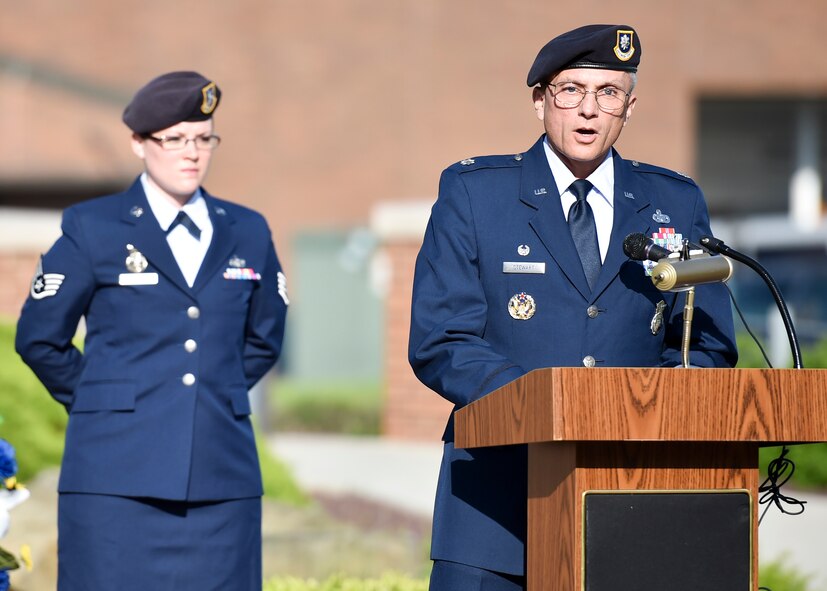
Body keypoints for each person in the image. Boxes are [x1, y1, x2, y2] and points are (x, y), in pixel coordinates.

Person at [408, 24, 737, 590]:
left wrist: (641, 408)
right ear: (540, 101)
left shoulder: (674, 201)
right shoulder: (475, 193)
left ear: (629, 108)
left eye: (608, 93)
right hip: (494, 509)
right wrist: (546, 406)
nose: (588, 110)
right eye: (570, 91)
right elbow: (442, 340)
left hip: (631, 497)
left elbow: (707, 344)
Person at [15, 71, 288, 590]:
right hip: (113, 485)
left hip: (221, 484)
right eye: (175, 139)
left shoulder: (247, 230)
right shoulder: (93, 226)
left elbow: (263, 337)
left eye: (204, 138)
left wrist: (208, 392)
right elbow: (40, 337)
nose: (192, 153)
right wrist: (108, 398)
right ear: (138, 143)